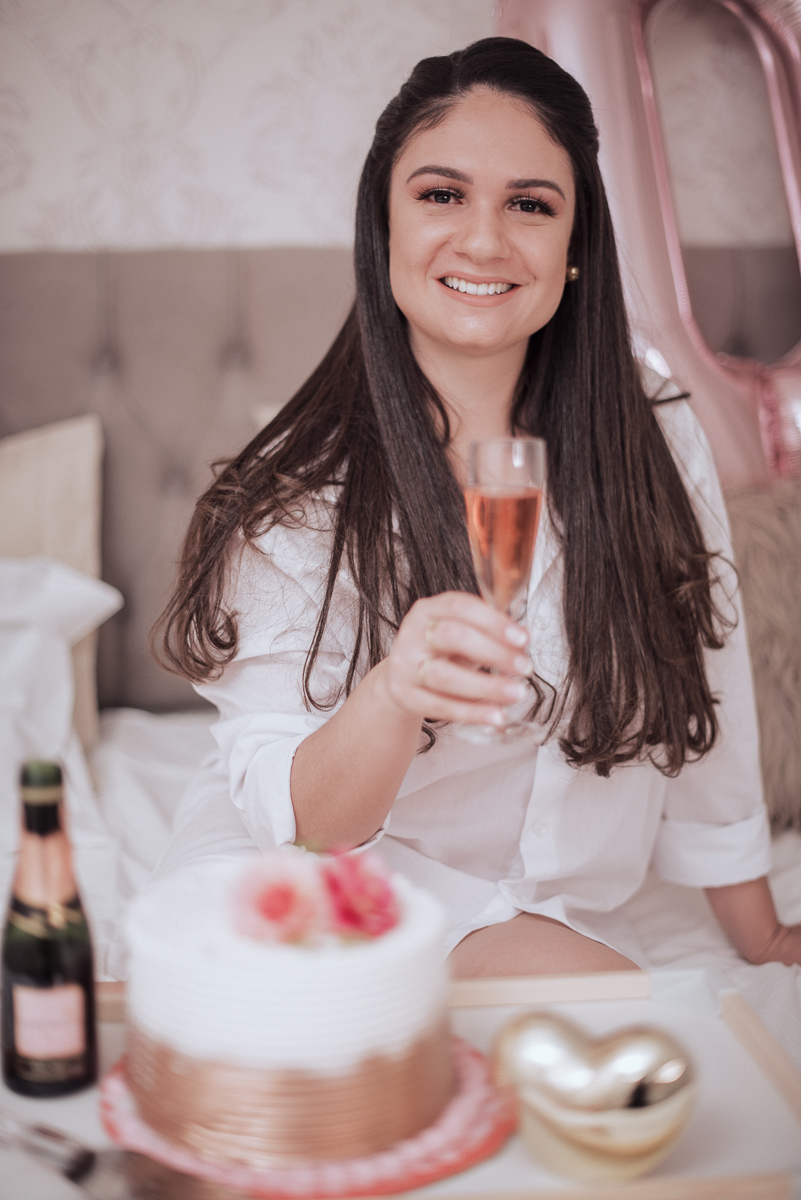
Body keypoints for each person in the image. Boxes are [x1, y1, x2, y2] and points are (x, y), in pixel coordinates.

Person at [153, 37, 800, 977]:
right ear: (384, 224)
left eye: (529, 205)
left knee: (621, 1032)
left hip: (544, 901)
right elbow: (307, 828)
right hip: (320, 864)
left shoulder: (647, 429)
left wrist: (762, 936)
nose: (485, 240)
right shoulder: (301, 490)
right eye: (441, 194)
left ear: (576, 248)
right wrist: (395, 691)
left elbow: (710, 678)